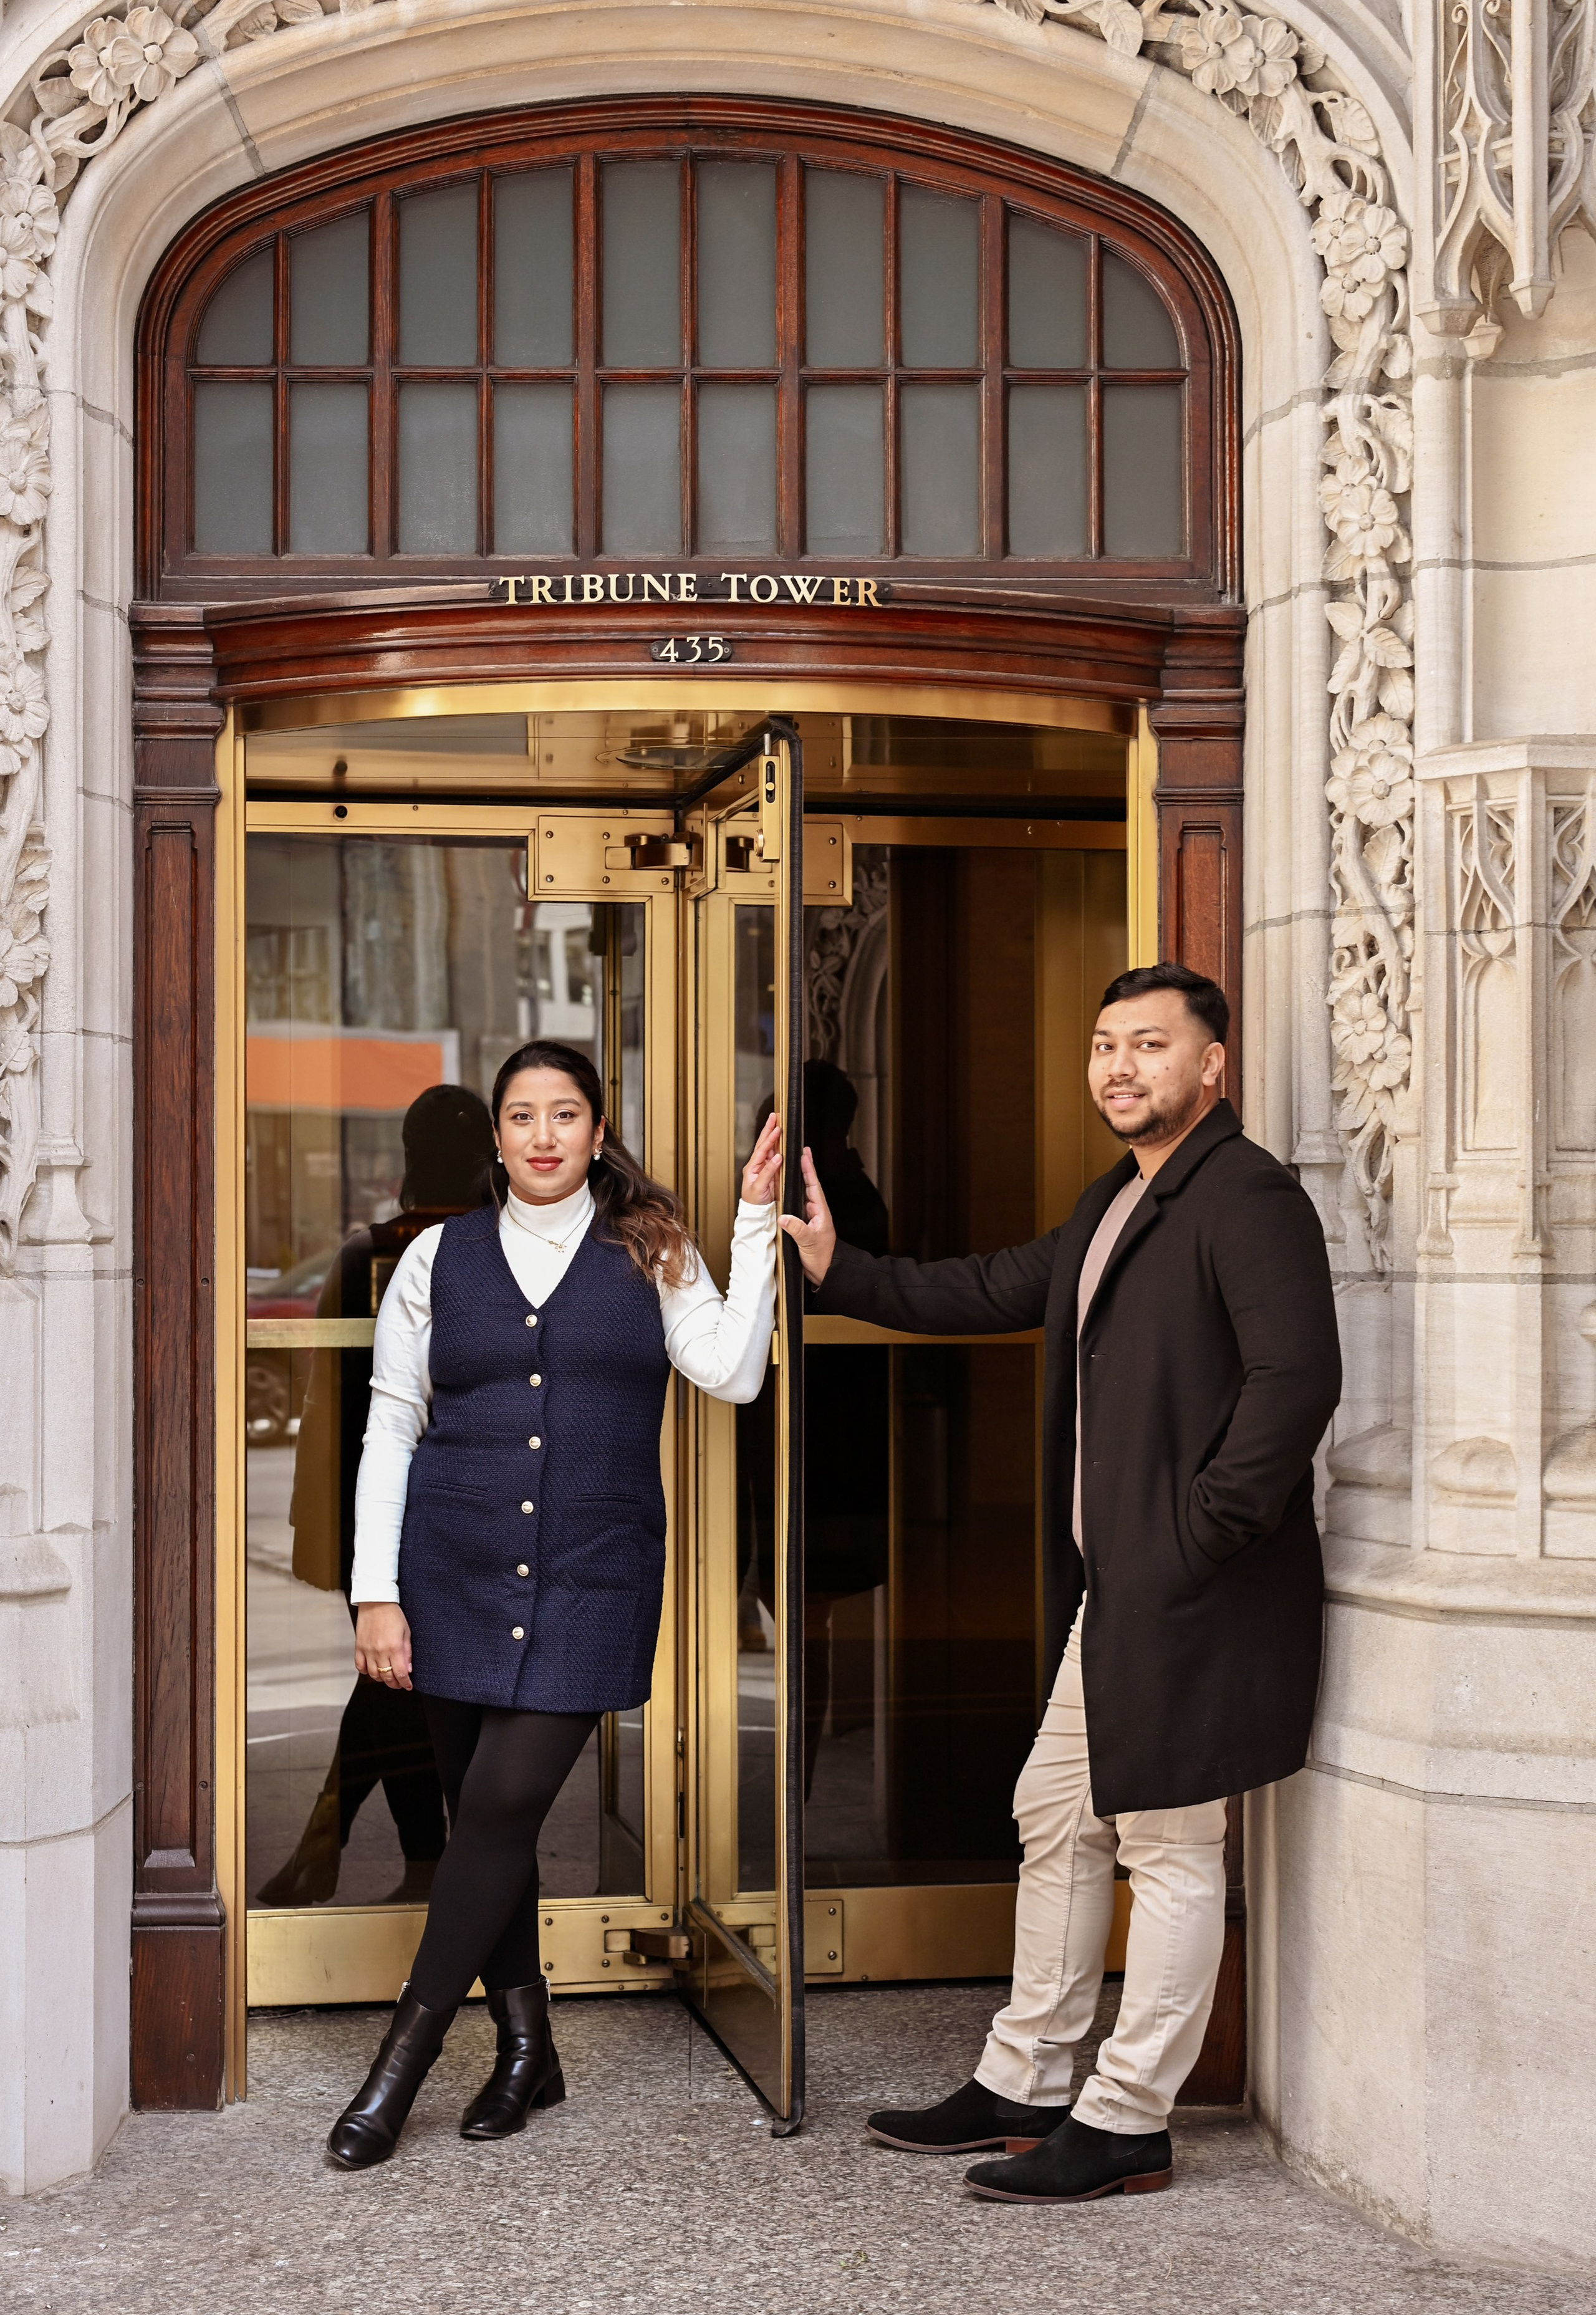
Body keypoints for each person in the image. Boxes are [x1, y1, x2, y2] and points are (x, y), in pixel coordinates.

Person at [781, 962, 1341, 2206]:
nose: (1116, 1067)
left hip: (1190, 1589)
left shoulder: (1246, 1199)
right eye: (1101, 1044)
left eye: (1147, 1044)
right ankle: (1025, 2081)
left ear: (1210, 1065)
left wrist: (1194, 1538)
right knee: (1055, 1814)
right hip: (1123, 1594)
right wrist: (838, 1267)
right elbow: (982, 1286)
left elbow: (1291, 1382)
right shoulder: (1113, 1204)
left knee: (1171, 1844)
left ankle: (1130, 2114)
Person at [326, 1039, 779, 2168]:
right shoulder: (437, 1257)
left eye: (564, 1113)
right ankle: (529, 2044)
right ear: (497, 1136)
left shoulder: (653, 1246)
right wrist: (375, 1593)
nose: (541, 1134)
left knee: (497, 1806)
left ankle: (402, 2066)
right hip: (451, 1572)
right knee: (494, 1813)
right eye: (521, 1115)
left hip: (594, 1575)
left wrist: (756, 1222)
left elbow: (734, 1370)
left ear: (595, 1129)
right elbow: (391, 1427)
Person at [261, 1085, 496, 1908]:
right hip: (469, 1508)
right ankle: (422, 1857)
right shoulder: (491, 1249)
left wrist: (324, 1523)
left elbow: (327, 1406)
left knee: (395, 1683)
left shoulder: (369, 1253)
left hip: (373, 1508)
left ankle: (358, 1839)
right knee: (412, 1689)